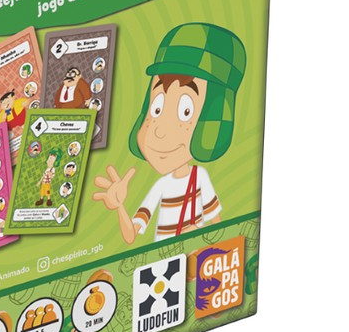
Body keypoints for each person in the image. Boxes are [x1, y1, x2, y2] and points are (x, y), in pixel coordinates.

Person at [93, 23, 245, 245]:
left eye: (186, 111)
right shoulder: (161, 186)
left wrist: (199, 234)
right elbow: (131, 236)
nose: (160, 131)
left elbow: (219, 228)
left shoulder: (199, 178)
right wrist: (120, 206)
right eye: (157, 108)